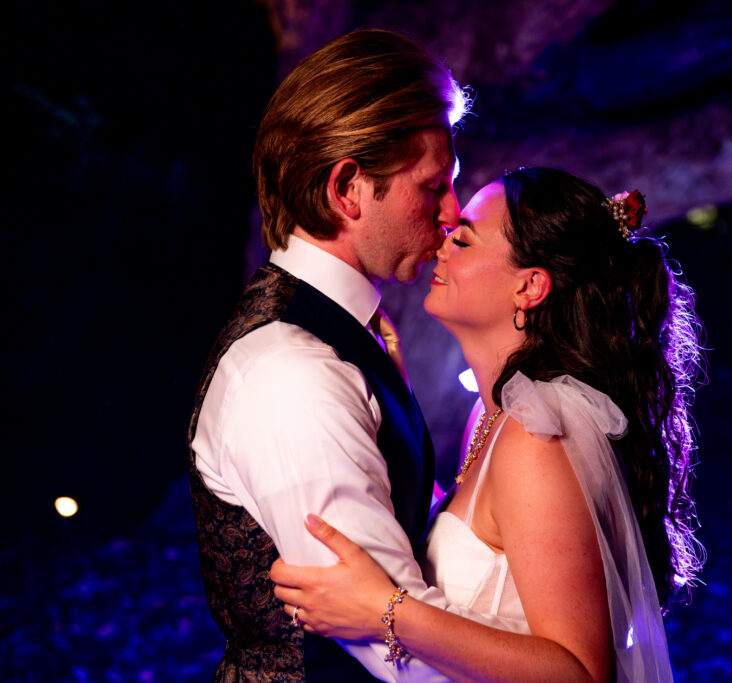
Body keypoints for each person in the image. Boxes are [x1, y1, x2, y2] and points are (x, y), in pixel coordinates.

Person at [271, 167, 705, 681]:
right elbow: (485, 548)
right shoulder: (494, 413)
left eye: (466, 238)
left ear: (529, 287)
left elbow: (581, 673)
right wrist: (392, 396)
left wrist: (383, 611)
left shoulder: (536, 436)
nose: (442, 242)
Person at [187, 29, 522, 682]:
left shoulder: (343, 331)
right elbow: (397, 658)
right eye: (433, 187)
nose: (453, 213)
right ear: (348, 189)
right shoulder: (292, 375)